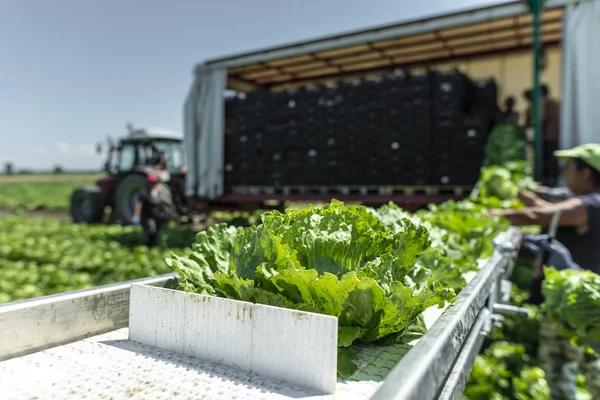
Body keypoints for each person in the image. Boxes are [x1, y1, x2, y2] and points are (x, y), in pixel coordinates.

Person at [490, 143, 600, 400]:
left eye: (569, 167)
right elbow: (545, 207)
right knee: (591, 367)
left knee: (563, 371)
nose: (564, 172)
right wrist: (519, 193)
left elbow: (540, 214)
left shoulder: (590, 205)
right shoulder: (587, 203)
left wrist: (493, 213)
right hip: (583, 303)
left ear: (586, 173)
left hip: (572, 305)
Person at [523, 84, 561, 186]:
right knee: (551, 160)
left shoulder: (544, 103)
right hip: (554, 137)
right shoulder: (554, 103)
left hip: (548, 138)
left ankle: (548, 181)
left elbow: (540, 121)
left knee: (547, 160)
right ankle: (551, 180)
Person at [132, 174, 172, 247]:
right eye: (150, 182)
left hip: (158, 214)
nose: (152, 184)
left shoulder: (160, 191)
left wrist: (167, 212)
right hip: (148, 215)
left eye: (154, 182)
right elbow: (139, 204)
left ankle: (155, 244)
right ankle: (150, 244)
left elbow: (166, 202)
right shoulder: (144, 192)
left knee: (157, 230)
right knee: (151, 230)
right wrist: (136, 215)